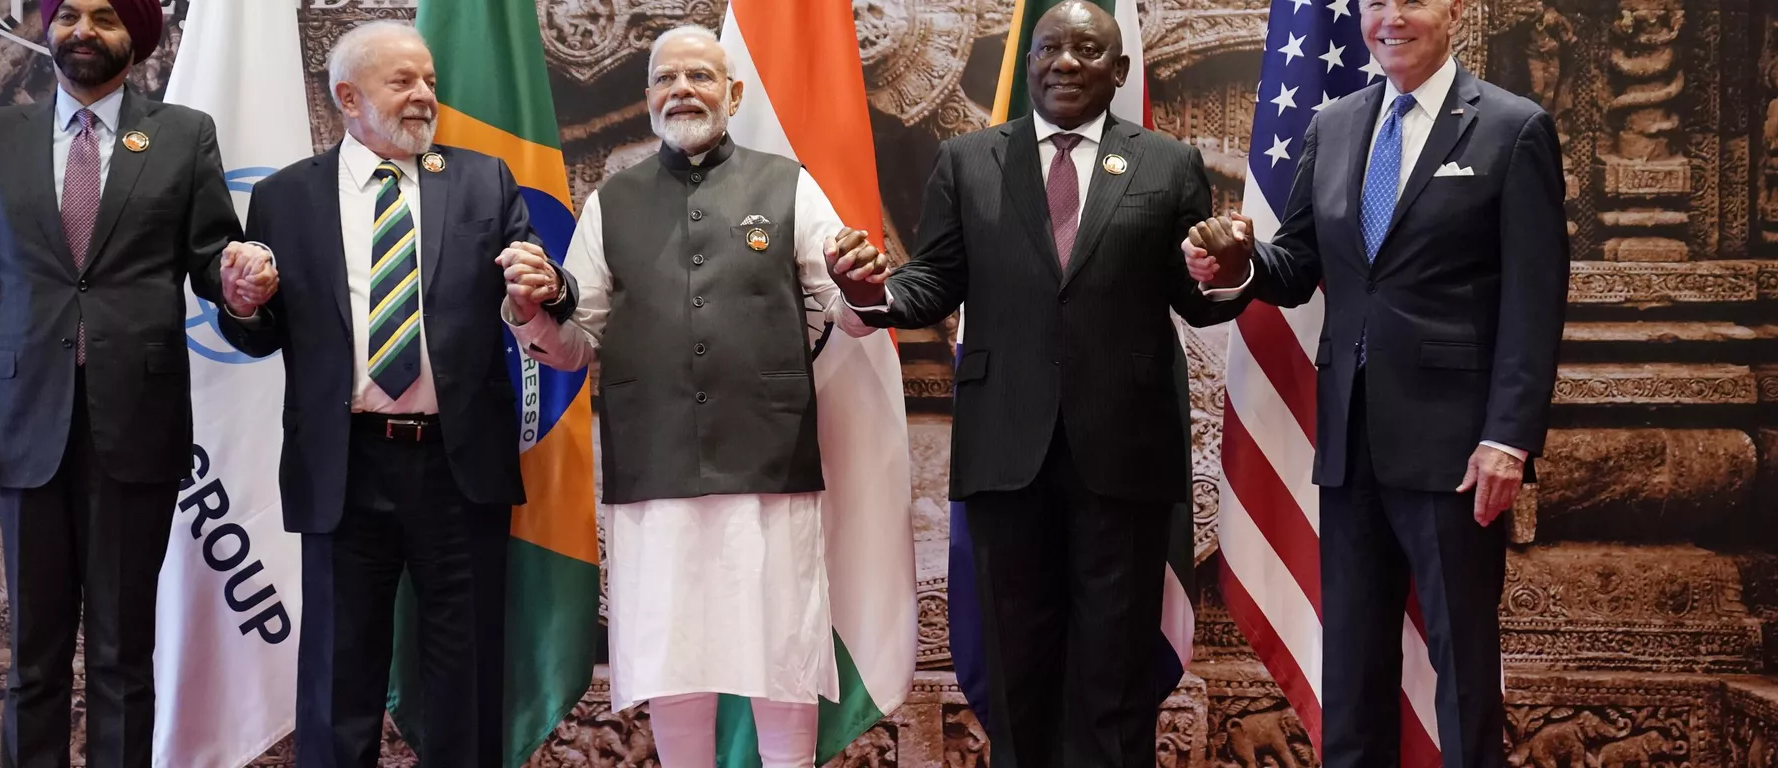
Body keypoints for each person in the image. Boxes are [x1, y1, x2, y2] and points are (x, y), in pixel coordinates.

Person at [826, 3, 1249, 766]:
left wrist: (1226, 271)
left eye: (1087, 49)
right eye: (1049, 48)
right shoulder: (968, 160)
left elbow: (1194, 294)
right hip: (1005, 452)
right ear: (1028, 65)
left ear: (1119, 72)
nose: (1063, 62)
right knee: (1015, 664)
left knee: (1115, 670)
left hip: (1124, 451)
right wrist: (868, 291)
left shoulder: (1166, 162)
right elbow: (933, 281)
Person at [1182, 0, 1569, 762]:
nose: (1392, 18)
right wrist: (1237, 266)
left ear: (1454, 9)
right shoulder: (1334, 124)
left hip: (1457, 452)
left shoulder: (1511, 128)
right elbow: (1294, 266)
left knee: (1461, 673)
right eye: (1377, 3)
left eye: (1413, 1)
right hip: (1350, 446)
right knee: (1352, 671)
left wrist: (1508, 439)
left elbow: (1536, 298)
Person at [498, 25, 885, 768]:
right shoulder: (612, 200)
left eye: (701, 76)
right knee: (673, 660)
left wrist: (865, 295)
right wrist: (532, 313)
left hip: (767, 462)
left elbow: (846, 308)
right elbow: (578, 340)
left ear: (734, 94)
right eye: (667, 78)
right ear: (647, 99)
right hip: (655, 464)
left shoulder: (788, 183)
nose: (683, 89)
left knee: (782, 654)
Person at [215, 20, 571, 768]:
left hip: (456, 465)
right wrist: (243, 303)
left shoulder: (482, 179)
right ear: (348, 96)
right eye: (402, 82)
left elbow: (537, 291)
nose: (424, 97)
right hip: (345, 468)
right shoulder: (286, 197)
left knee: (466, 680)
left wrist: (544, 289)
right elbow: (260, 332)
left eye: (429, 82)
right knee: (339, 684)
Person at [0, 0, 269, 765]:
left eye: (106, 17)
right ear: (47, 30)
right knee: (34, 659)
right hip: (23, 424)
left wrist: (240, 285)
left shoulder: (184, 136)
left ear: (137, 38)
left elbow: (212, 256)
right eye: (69, 14)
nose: (84, 30)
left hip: (137, 425)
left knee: (121, 654)